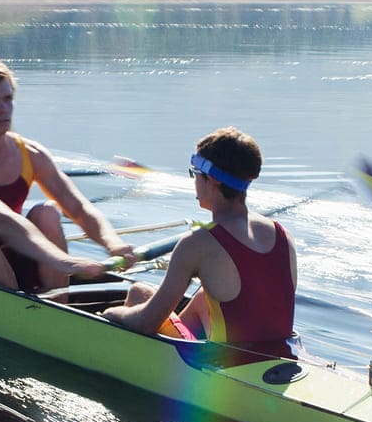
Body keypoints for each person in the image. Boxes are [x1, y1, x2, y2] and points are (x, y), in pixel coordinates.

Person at [102, 127, 297, 363]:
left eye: (195, 173)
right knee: (204, 297)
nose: (194, 182)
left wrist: (114, 314)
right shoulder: (283, 234)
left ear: (211, 179)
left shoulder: (197, 244)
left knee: (138, 292)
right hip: (282, 358)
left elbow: (146, 323)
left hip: (227, 366)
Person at [0, 56, 134, 296]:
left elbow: (77, 207)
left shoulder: (31, 153)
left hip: (21, 253)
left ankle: (59, 304)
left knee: (47, 212)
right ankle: (15, 311)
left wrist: (112, 243)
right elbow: (5, 221)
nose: (4, 109)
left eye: (7, 99)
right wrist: (66, 262)